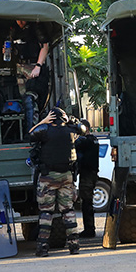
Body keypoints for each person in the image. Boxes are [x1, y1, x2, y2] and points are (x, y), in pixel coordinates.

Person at [28, 107, 81, 257]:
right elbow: (83, 128)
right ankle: (74, 246)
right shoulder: (71, 131)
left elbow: (30, 134)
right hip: (67, 176)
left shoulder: (44, 131)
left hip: (48, 177)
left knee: (46, 212)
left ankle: (43, 248)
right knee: (68, 211)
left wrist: (43, 121)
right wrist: (70, 120)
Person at [9, 19, 50, 125]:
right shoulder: (13, 29)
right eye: (18, 20)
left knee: (30, 98)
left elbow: (45, 46)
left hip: (33, 65)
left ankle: (32, 131)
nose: (20, 22)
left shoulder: (35, 27)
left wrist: (38, 65)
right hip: (20, 66)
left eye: (22, 19)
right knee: (23, 98)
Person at [74, 119, 99, 239]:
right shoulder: (93, 140)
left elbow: (76, 145)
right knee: (87, 202)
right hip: (91, 174)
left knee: (86, 202)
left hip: (88, 174)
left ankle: (89, 230)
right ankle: (89, 229)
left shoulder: (86, 141)